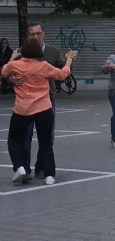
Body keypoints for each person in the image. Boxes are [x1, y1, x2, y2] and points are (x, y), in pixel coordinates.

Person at [3, 38, 77, 185]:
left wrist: (12, 56)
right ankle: (49, 175)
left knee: (14, 139)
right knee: (45, 142)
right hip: (43, 108)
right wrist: (68, 59)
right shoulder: (43, 66)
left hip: (22, 109)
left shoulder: (15, 65)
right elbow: (62, 74)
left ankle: (20, 167)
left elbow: (4, 72)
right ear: (38, 51)